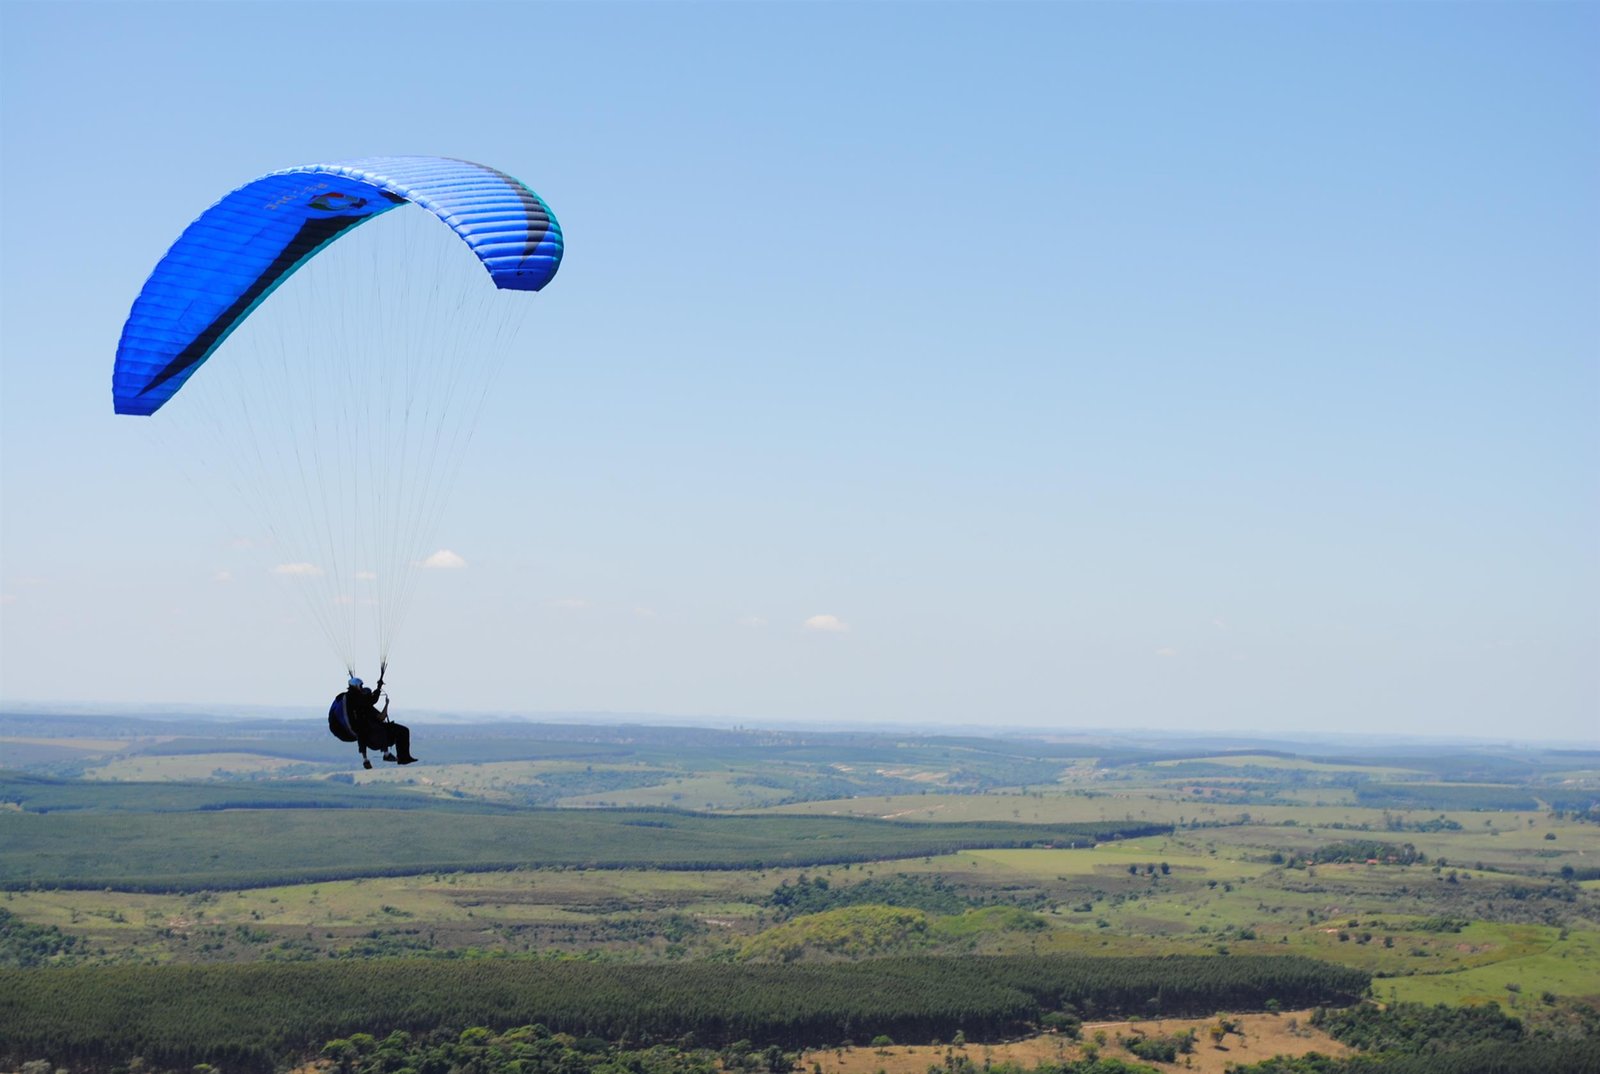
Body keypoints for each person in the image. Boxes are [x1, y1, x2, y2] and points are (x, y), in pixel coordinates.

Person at [334, 673, 418, 768]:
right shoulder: (361, 706)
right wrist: (385, 701)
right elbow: (379, 712)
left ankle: (399, 757)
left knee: (401, 731)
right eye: (360, 686)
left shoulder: (359, 703)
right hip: (376, 739)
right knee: (402, 731)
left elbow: (373, 704)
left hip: (374, 739)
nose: (362, 688)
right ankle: (400, 757)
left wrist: (379, 688)